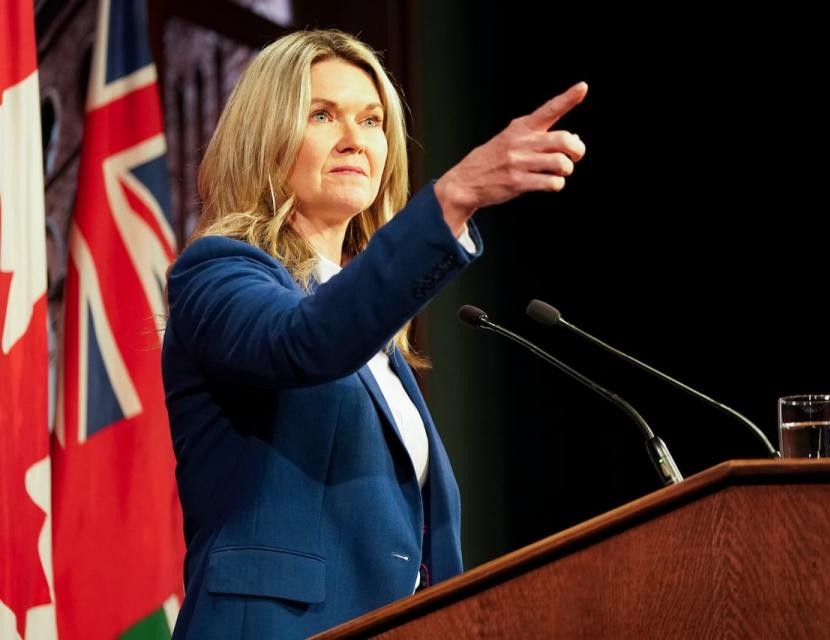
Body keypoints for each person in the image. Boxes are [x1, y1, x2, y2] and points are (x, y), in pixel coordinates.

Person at [161, 28, 586, 639]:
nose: (354, 140)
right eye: (322, 114)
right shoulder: (216, 272)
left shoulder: (372, 335)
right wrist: (454, 196)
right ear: (265, 135)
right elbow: (305, 340)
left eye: (372, 120)